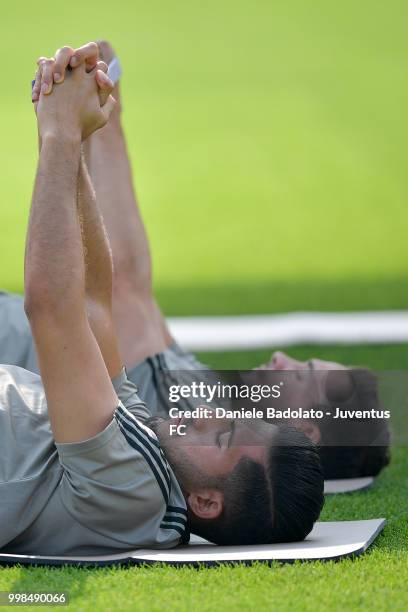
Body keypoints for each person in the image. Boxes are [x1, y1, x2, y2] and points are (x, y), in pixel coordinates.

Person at [0, 40, 389, 482]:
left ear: (304, 429)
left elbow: (123, 286)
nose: (283, 359)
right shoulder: (212, 401)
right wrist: (100, 116)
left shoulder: (192, 420)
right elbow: (133, 291)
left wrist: (88, 123)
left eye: (304, 375)